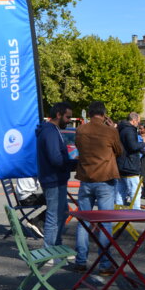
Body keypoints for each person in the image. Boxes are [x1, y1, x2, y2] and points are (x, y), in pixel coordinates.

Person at [73, 101, 123, 275]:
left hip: (86, 179)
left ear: (90, 113)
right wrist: (112, 128)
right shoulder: (110, 131)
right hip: (105, 179)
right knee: (105, 223)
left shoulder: (80, 130)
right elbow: (119, 151)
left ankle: (80, 261)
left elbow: (79, 148)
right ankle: (103, 264)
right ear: (103, 114)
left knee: (83, 222)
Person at [36, 102, 76, 248]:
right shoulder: (50, 132)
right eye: (68, 117)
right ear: (58, 115)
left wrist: (70, 163)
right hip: (53, 179)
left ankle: (56, 246)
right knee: (54, 216)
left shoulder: (51, 130)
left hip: (55, 178)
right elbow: (55, 159)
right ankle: (49, 251)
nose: (69, 120)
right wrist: (73, 163)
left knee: (62, 213)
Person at [116, 112, 145, 209]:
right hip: (130, 165)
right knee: (135, 190)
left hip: (121, 163)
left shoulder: (121, 129)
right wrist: (144, 143)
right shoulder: (130, 130)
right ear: (134, 120)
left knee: (121, 190)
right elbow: (133, 146)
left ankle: (118, 209)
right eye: (138, 121)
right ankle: (136, 212)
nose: (139, 124)